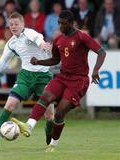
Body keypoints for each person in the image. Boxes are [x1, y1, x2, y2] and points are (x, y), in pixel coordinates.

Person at [11, 10, 106, 152]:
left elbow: (101, 51)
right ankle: (29, 126)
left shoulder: (81, 37)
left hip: (78, 81)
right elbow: (55, 60)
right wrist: (38, 62)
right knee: (45, 97)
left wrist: (95, 70)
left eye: (64, 24)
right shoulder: (58, 40)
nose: (61, 26)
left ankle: (53, 144)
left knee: (60, 112)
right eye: (59, 23)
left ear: (72, 23)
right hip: (63, 77)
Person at [0, 12, 54, 151]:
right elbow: (3, 61)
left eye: (16, 24)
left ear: (23, 24)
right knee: (9, 105)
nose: (13, 27)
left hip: (43, 77)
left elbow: (37, 37)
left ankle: (49, 131)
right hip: (25, 77)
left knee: (50, 115)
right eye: (11, 25)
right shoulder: (12, 43)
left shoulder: (29, 33)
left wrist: (42, 44)